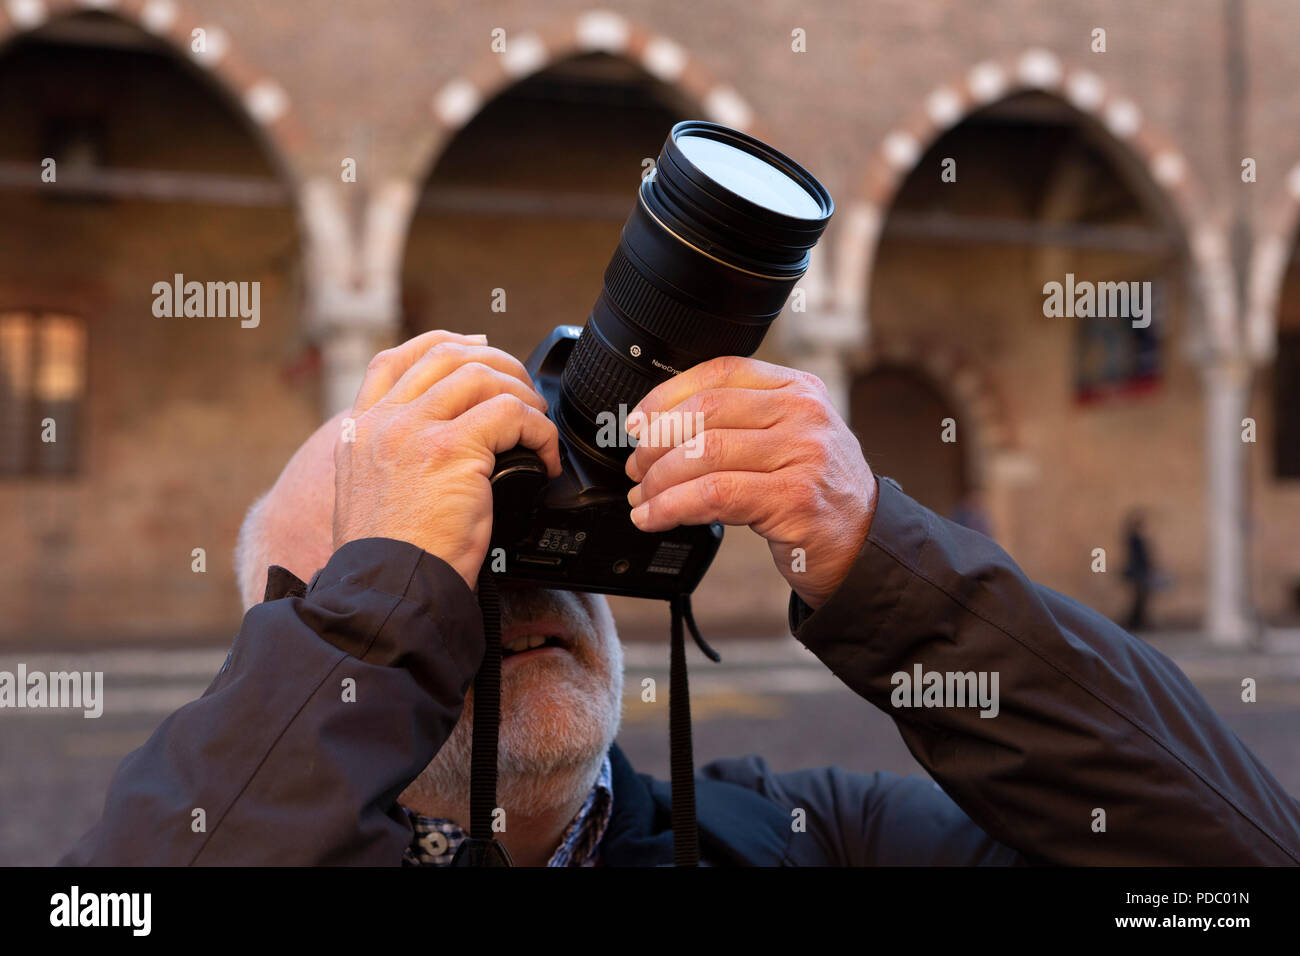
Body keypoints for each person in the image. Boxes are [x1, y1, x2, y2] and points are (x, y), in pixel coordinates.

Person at [61, 330, 1300, 865]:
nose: (513, 586)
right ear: (293, 628)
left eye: (532, 535)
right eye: (431, 559)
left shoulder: (809, 842)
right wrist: (388, 606)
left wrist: (883, 556)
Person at [1122, 509, 1155, 631]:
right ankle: (1135, 622)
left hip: (1140, 572)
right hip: (1139, 572)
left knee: (1140, 598)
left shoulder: (1134, 539)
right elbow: (1139, 557)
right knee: (1139, 598)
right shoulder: (1134, 539)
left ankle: (1136, 621)